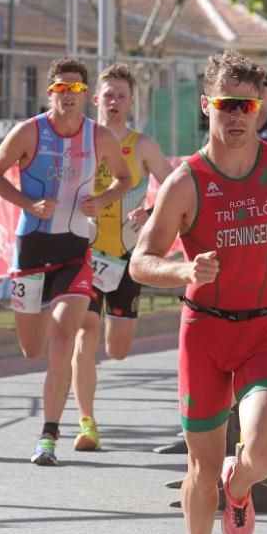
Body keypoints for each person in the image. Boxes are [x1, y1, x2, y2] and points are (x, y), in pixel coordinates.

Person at [130, 50, 267, 534]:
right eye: (225, 104)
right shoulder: (186, 181)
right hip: (204, 334)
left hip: (263, 328)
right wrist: (184, 271)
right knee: (201, 468)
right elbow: (141, 261)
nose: (236, 115)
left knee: (260, 454)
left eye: (247, 104)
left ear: (259, 108)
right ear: (206, 106)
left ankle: (241, 488)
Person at [0, 57, 131, 466]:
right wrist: (29, 202)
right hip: (31, 249)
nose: (69, 96)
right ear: (50, 92)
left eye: (77, 89)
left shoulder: (98, 136)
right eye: (62, 89)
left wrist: (100, 201)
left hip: (74, 251)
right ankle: (48, 335)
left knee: (64, 338)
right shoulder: (29, 132)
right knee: (33, 348)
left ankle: (48, 434)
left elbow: (125, 178)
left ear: (85, 95)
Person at [68, 64, 173, 451]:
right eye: (107, 95)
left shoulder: (142, 145)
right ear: (95, 99)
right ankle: (86, 422)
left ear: (131, 102)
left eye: (121, 96)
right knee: (86, 333)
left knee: (118, 349)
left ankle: (122, 322)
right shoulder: (80, 141)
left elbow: (175, 185)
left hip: (128, 255)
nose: (113, 102)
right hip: (85, 253)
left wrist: (151, 212)